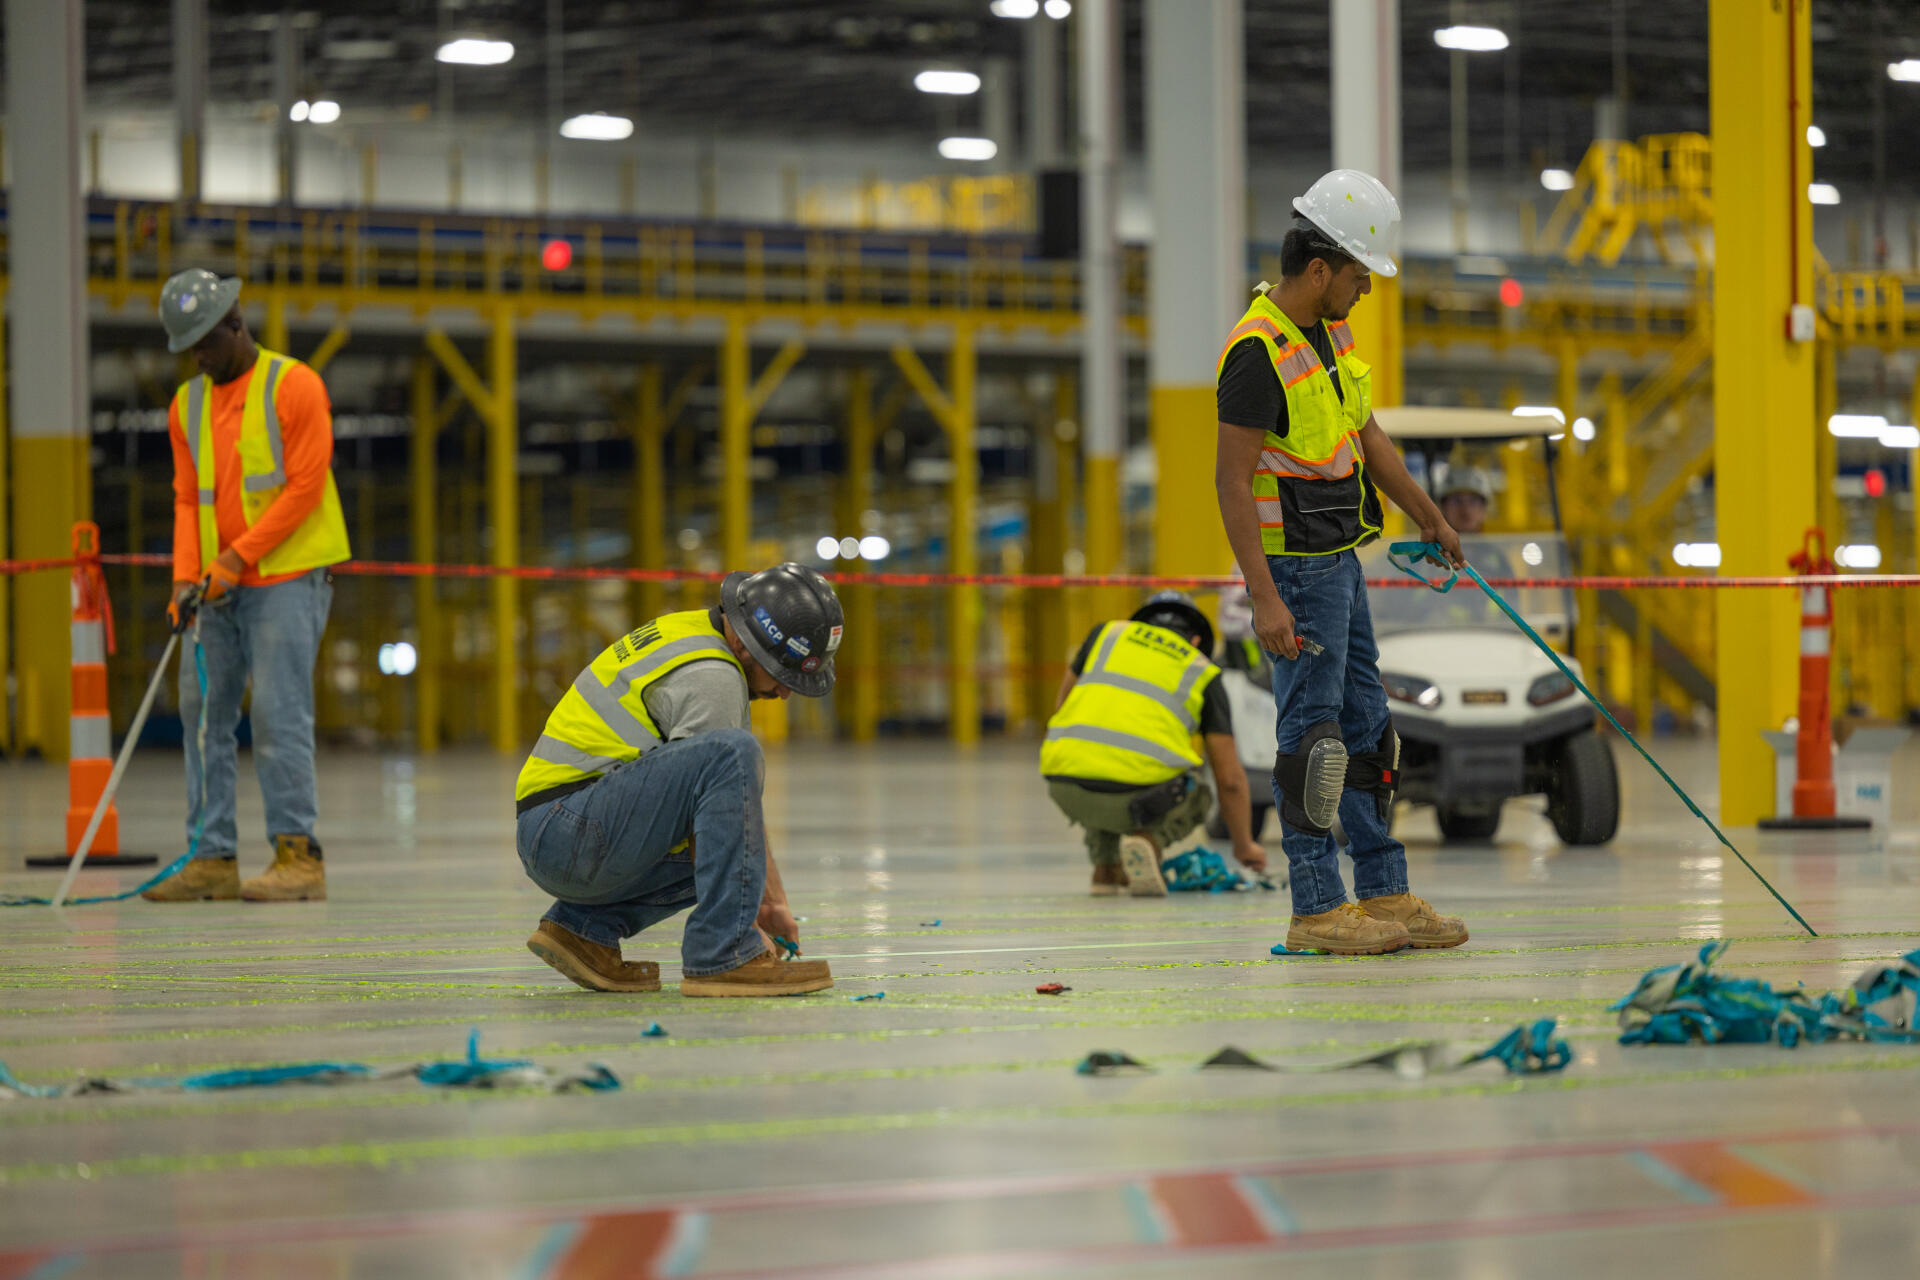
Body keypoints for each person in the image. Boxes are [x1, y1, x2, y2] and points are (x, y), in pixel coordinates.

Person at [1212, 169, 1470, 955]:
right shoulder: (1255, 353)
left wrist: (1428, 516)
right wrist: (1264, 599)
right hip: (1294, 574)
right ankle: (1318, 908)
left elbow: (1369, 436)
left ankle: (1383, 891)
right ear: (1319, 268)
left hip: (1342, 565)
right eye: (1360, 276)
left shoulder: (1329, 334)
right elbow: (1229, 481)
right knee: (1313, 738)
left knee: (1367, 727)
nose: (1365, 291)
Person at [514, 563, 839, 997]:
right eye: (782, 675)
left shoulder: (692, 632)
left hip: (561, 827)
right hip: (570, 827)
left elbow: (734, 818)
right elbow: (711, 820)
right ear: (743, 643)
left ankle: (583, 930)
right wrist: (740, 930)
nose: (784, 693)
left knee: (736, 847)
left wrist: (769, 902)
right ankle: (722, 956)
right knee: (734, 753)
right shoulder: (715, 678)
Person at [144, 269, 349, 903]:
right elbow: (187, 499)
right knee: (202, 713)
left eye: (207, 342)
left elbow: (304, 488)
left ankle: (298, 855)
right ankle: (211, 857)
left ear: (238, 323)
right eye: (190, 349)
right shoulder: (188, 404)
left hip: (286, 580)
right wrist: (186, 576)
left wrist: (235, 558)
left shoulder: (295, 386)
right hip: (214, 586)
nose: (200, 357)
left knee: (277, 712)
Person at [1041, 592, 1268, 897]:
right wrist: (1244, 845)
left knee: (1102, 761)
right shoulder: (1203, 670)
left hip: (1063, 782)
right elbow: (1229, 779)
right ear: (1197, 640)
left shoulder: (1107, 635)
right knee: (1193, 790)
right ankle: (1148, 841)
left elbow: (1062, 706)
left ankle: (1105, 870)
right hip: (1135, 790)